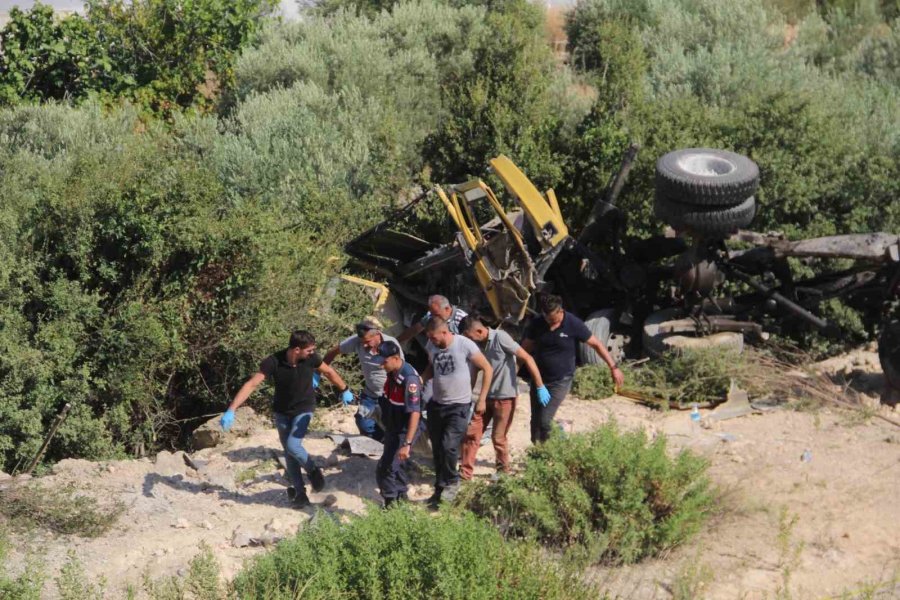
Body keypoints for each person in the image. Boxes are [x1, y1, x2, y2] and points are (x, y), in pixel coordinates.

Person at [220, 330, 354, 508]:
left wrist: (344, 389)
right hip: (282, 412)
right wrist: (231, 409)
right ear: (296, 349)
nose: (312, 353)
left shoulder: (311, 359)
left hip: (304, 408)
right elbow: (251, 384)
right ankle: (300, 494)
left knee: (293, 445)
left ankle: (313, 471)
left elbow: (329, 372)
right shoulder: (273, 361)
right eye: (309, 350)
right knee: (289, 454)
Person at [521, 294, 624, 443]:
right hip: (539, 380)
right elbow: (524, 350)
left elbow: (596, 344)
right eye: (546, 318)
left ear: (560, 311)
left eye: (552, 319)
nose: (549, 323)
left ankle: (558, 444)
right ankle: (539, 454)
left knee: (545, 420)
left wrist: (613, 367)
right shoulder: (537, 323)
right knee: (536, 420)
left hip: (561, 380)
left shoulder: (573, 323)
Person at [458, 314, 549, 479]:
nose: (469, 340)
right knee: (472, 434)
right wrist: (466, 395)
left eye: (469, 336)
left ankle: (503, 473)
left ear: (479, 331)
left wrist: (540, 385)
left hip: (505, 398)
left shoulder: (500, 338)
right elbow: (474, 370)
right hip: (485, 398)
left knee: (498, 437)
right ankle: (465, 473)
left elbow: (527, 357)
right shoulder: (477, 346)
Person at [421, 316, 493, 506]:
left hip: (459, 405)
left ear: (445, 332)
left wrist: (482, 399)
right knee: (437, 450)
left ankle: (453, 482)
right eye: (430, 337)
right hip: (437, 405)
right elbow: (431, 367)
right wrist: (421, 381)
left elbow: (487, 368)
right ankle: (439, 491)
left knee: (449, 446)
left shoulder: (464, 344)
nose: (432, 341)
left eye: (435, 337)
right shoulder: (431, 346)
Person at [322, 318, 402, 441]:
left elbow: (400, 368)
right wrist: (319, 371)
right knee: (363, 422)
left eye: (367, 341)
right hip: (370, 394)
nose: (364, 345)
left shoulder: (391, 344)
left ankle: (387, 445)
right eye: (362, 341)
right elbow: (334, 351)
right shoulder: (356, 341)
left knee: (391, 426)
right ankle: (376, 444)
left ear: (377, 334)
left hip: (388, 396)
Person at [373, 340, 423, 508]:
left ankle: (390, 505)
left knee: (385, 468)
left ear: (395, 358)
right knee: (397, 465)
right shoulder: (392, 373)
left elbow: (415, 413)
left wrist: (407, 444)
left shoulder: (409, 379)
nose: (381, 365)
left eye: (384, 361)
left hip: (405, 429)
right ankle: (402, 500)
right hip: (393, 426)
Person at [396, 294, 468, 344]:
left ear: (447, 309)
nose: (434, 317)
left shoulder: (462, 320)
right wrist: (396, 340)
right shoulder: (433, 314)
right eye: (432, 313)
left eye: (436, 314)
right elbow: (416, 329)